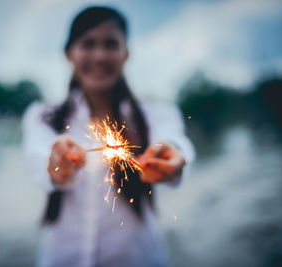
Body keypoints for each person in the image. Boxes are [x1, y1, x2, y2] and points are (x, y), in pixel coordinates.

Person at [22, 6, 194, 267]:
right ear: (69, 53)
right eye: (87, 44)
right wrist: (56, 164)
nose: (100, 56)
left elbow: (174, 139)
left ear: (126, 54)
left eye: (111, 44)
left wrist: (171, 154)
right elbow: (39, 158)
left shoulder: (157, 114)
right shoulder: (41, 116)